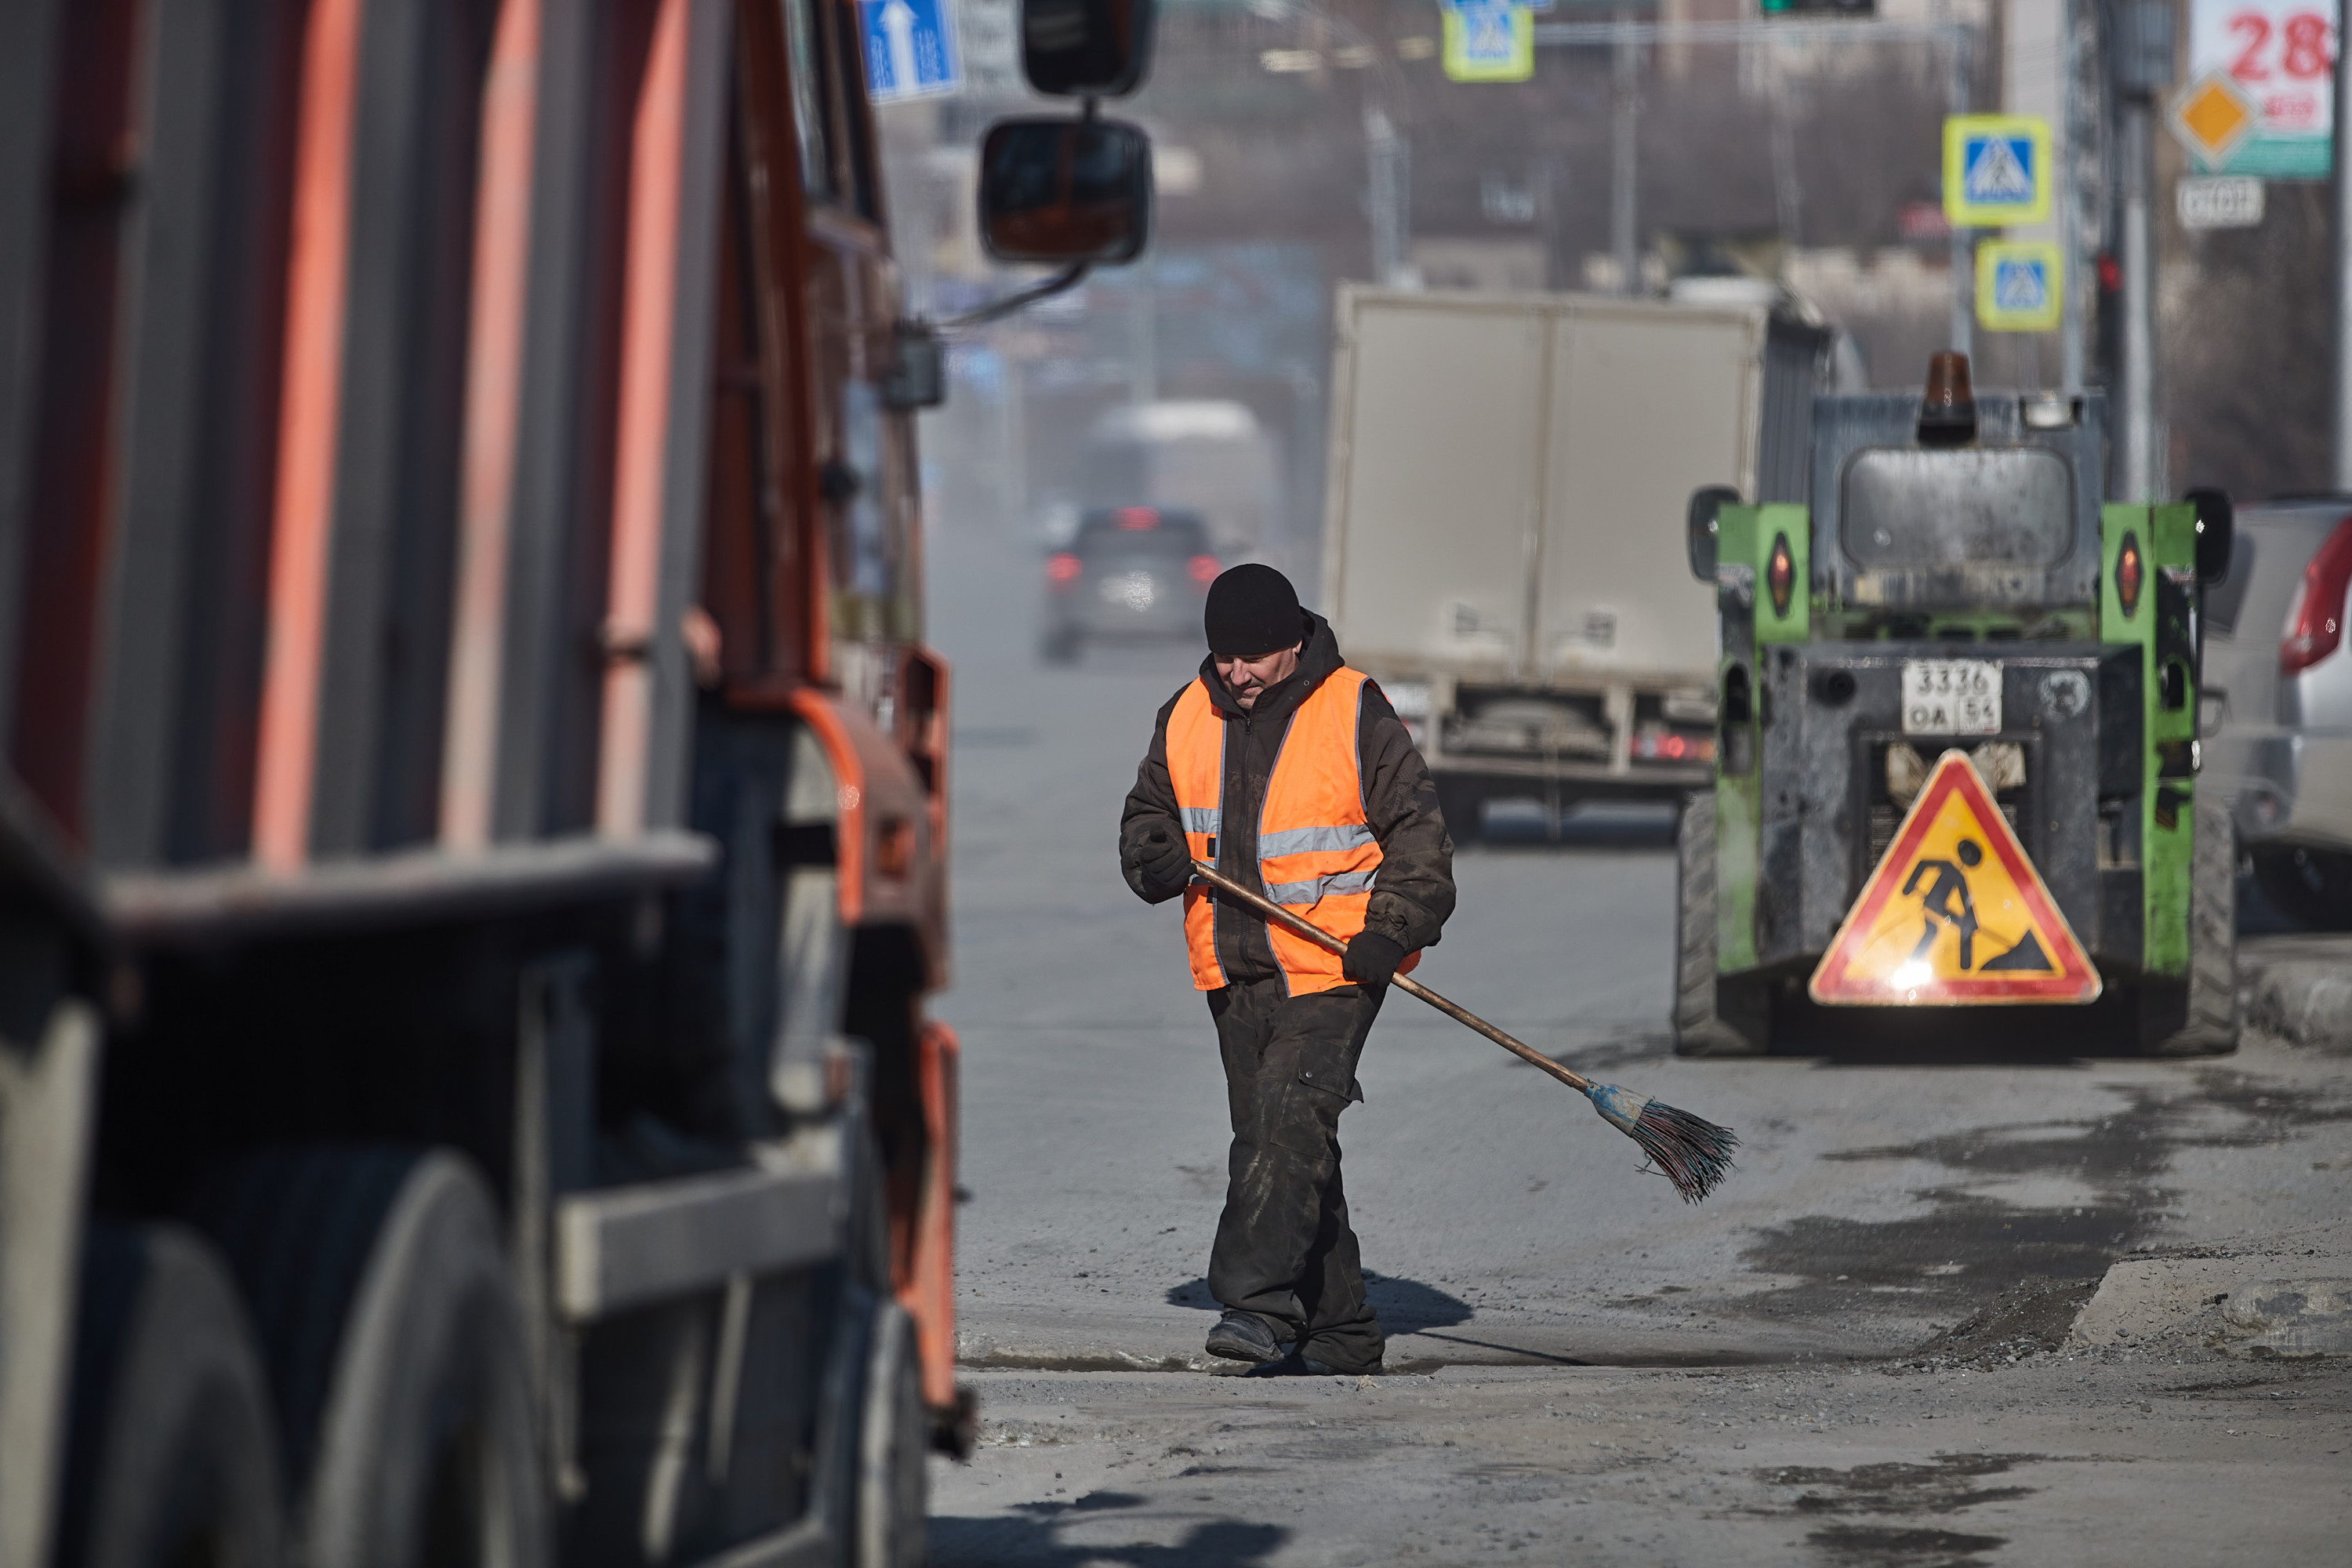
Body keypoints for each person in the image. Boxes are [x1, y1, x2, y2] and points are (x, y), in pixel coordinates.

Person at [1119, 564, 1455, 1374]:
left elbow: (1420, 835)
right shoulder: (1186, 715)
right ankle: (1341, 1331)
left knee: (1282, 1121)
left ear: (1293, 641)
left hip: (1336, 966)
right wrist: (1154, 857)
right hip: (1233, 970)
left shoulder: (1353, 709)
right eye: (1223, 656)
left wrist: (1392, 926)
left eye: (1254, 656)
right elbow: (1146, 822)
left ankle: (1256, 1306)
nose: (1236, 672)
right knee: (1291, 1144)